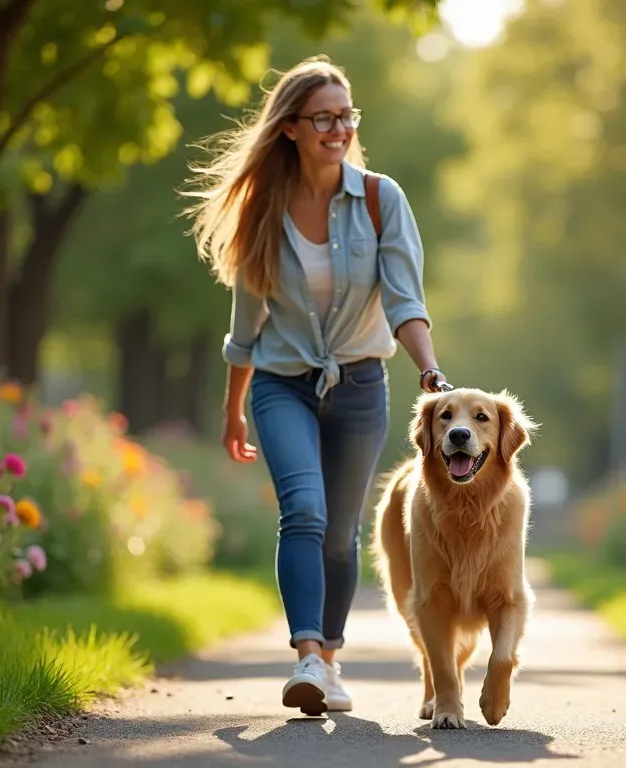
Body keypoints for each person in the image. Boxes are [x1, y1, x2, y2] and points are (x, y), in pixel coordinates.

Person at [182, 55, 449, 716]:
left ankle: (329, 658)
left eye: (345, 115)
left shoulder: (383, 200)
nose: (338, 127)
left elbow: (404, 299)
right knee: (303, 510)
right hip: (282, 383)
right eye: (323, 117)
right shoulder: (262, 211)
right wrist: (234, 408)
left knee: (339, 532)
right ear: (292, 128)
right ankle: (305, 654)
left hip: (360, 382)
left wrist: (428, 368)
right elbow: (246, 325)